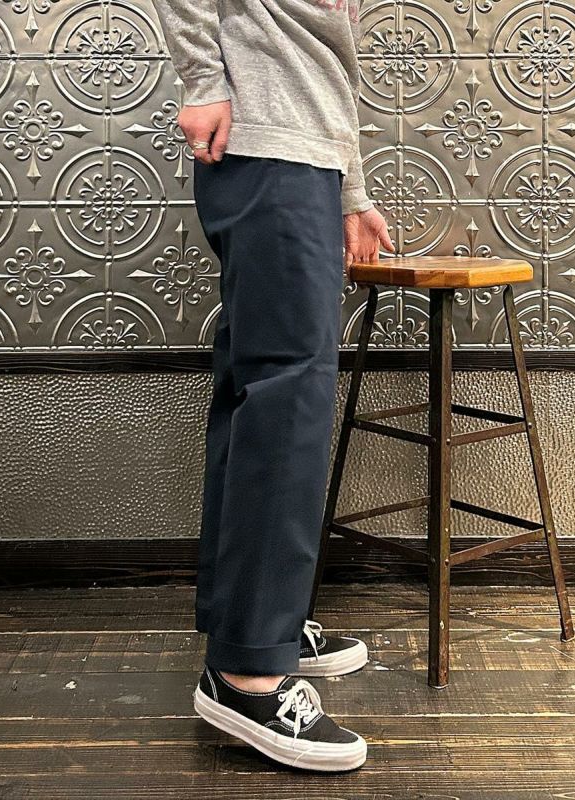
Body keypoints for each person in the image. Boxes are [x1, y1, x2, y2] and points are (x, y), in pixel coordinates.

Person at [152, 0, 395, 772]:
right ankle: (248, 674)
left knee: (257, 395)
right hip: (270, 152)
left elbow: (325, 62)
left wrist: (350, 193)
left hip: (300, 158)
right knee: (288, 402)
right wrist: (202, 80)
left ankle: (259, 629)